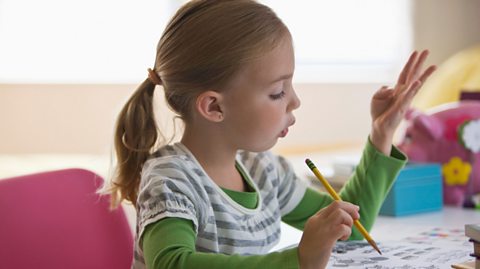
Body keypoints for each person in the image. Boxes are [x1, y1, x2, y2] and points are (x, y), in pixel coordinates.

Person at [103, 1, 436, 268]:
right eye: (278, 91)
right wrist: (298, 259)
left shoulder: (264, 170)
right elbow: (172, 263)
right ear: (214, 107)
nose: (295, 101)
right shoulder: (170, 180)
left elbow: (350, 229)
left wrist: (382, 133)